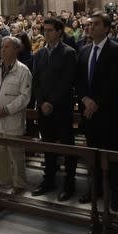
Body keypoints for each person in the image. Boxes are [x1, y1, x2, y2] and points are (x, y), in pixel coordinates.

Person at [76, 12, 118, 209]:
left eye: (96, 24)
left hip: (108, 113)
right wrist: (85, 99)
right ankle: (95, 188)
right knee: (92, 154)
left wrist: (96, 103)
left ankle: (115, 192)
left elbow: (115, 81)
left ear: (107, 28)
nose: (91, 27)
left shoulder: (117, 49)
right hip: (88, 112)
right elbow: (79, 80)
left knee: (110, 155)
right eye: (89, 24)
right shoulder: (83, 50)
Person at [30, 18, 78, 201]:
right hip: (43, 108)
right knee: (48, 146)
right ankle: (48, 179)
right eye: (45, 30)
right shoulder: (40, 53)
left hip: (61, 107)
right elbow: (36, 80)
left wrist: (52, 102)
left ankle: (69, 183)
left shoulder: (68, 53)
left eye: (50, 30)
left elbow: (67, 81)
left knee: (67, 147)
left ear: (59, 32)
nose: (47, 33)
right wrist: (42, 102)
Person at [0, 36, 32, 195]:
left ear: (16, 49)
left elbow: (25, 96)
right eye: (2, 47)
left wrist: (6, 110)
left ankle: (19, 183)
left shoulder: (23, 70)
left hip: (12, 119)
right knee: (0, 152)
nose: (2, 50)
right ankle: (3, 181)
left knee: (15, 154)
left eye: (7, 47)